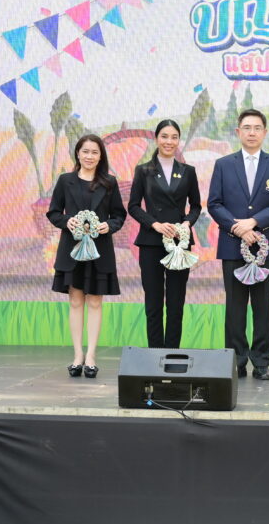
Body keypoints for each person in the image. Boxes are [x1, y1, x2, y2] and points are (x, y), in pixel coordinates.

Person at [207, 109, 269, 380]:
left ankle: (261, 361)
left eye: (257, 128)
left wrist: (253, 222)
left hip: (264, 245)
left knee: (262, 305)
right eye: (247, 127)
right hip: (232, 244)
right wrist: (237, 228)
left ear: (265, 132)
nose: (252, 132)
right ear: (238, 132)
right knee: (235, 306)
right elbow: (214, 204)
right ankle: (237, 360)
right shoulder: (223, 164)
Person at [47, 133, 126, 379]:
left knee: (95, 302)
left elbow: (119, 216)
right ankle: (77, 355)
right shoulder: (65, 180)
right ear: (78, 154)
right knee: (75, 301)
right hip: (71, 250)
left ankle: (91, 356)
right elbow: (53, 212)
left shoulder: (109, 183)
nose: (89, 156)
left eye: (94, 152)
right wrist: (66, 221)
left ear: (100, 156)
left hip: (99, 250)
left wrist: (108, 226)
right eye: (85, 151)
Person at [127, 119, 202, 349]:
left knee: (176, 303)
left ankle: (172, 353)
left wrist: (187, 223)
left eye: (174, 137)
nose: (169, 141)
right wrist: (155, 224)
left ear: (179, 140)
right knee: (153, 303)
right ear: (156, 139)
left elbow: (196, 206)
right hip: (151, 242)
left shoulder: (188, 171)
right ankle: (155, 354)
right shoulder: (143, 171)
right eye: (164, 136)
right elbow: (133, 206)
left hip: (179, 243)